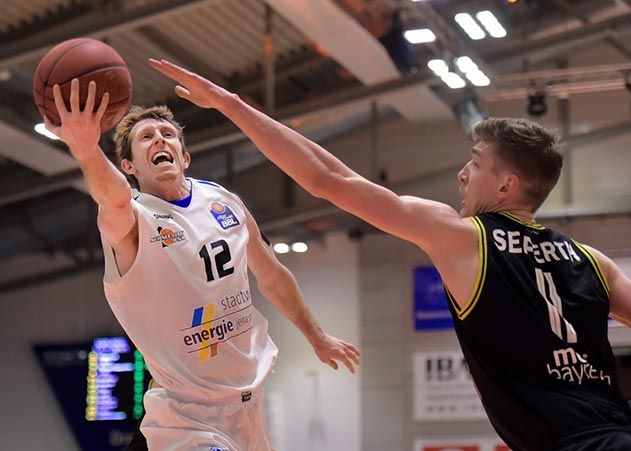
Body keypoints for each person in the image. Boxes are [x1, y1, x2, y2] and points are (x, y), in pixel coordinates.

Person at [149, 58, 631, 450]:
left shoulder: (464, 236)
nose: (463, 175)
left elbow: (326, 180)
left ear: (506, 185)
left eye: (476, 165)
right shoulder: (594, 262)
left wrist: (231, 105)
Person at [43, 78, 360, 451]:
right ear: (128, 165)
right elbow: (112, 198)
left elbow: (271, 277)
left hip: (250, 407)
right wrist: (86, 149)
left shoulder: (222, 200)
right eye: (146, 138)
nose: (160, 140)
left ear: (185, 156)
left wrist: (315, 335)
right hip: (186, 415)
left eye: (167, 134)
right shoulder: (132, 220)